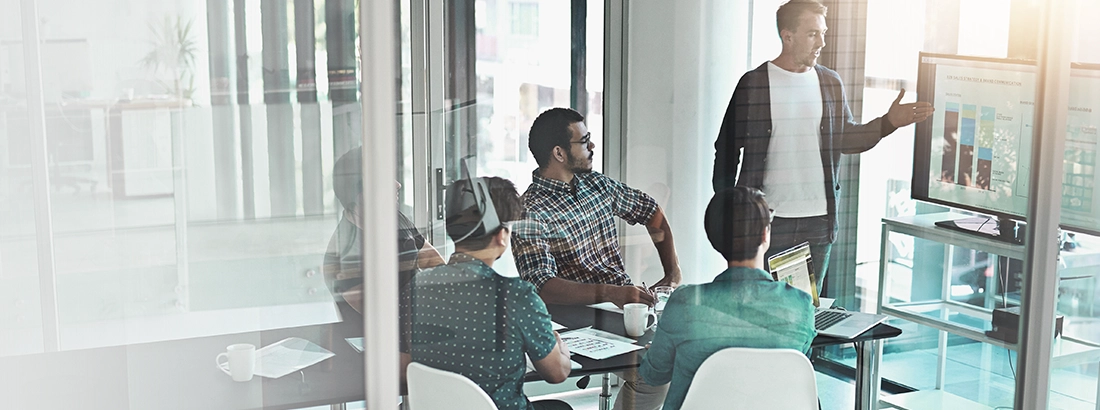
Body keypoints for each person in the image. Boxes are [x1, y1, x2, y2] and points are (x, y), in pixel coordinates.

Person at [711, 0, 933, 294]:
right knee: (758, 308)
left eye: (823, 33)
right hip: (766, 221)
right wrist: (729, 208)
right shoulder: (753, 85)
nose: (822, 43)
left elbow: (846, 140)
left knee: (806, 314)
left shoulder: (829, 83)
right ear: (787, 36)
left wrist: (888, 122)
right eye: (813, 34)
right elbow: (726, 151)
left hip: (818, 221)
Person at [512, 107, 679, 410]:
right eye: (585, 140)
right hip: (575, 320)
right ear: (559, 153)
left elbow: (651, 213)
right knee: (654, 371)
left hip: (621, 307)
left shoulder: (596, 185)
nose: (592, 147)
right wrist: (612, 294)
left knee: (666, 367)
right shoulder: (531, 210)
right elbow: (542, 286)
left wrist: (673, 272)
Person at [400, 177, 573, 410]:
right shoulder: (518, 296)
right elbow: (557, 373)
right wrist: (560, 348)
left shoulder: (416, 286)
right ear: (501, 236)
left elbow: (404, 367)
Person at [638, 187, 817, 410]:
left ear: (714, 238)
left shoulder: (685, 303)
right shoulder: (800, 306)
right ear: (765, 235)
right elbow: (797, 366)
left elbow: (654, 376)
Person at [322, 148, 443, 315]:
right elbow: (381, 314)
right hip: (380, 339)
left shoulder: (395, 218)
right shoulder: (345, 250)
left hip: (419, 325)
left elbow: (432, 260)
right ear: (361, 194)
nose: (397, 184)